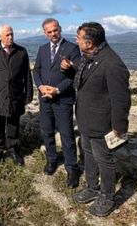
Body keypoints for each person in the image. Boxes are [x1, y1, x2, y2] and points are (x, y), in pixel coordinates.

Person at [67, 22, 131, 217]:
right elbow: (88, 75)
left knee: (105, 161)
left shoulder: (112, 63)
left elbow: (121, 98)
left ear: (89, 43)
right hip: (87, 121)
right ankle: (92, 187)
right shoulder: (91, 57)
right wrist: (71, 66)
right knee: (88, 155)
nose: (76, 41)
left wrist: (119, 127)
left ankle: (107, 196)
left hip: (102, 124)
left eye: (78, 38)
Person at [32, 18, 82, 187]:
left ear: (60, 29)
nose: (53, 34)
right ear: (45, 33)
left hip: (63, 99)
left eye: (55, 30)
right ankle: (52, 159)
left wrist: (57, 90)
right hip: (45, 98)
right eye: (49, 32)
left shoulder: (72, 48)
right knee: (46, 131)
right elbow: (36, 70)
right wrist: (40, 87)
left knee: (67, 135)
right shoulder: (42, 49)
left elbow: (74, 76)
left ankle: (72, 168)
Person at [0, 25, 33, 166]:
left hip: (16, 95)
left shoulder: (21, 52)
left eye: (12, 34)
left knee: (13, 124)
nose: (10, 37)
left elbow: (27, 75)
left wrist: (28, 95)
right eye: (7, 35)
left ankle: (13, 150)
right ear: (0, 36)